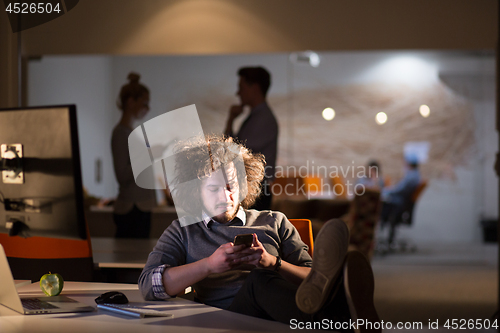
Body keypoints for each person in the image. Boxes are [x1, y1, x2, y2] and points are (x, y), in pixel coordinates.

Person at [139, 134, 380, 331]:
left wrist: (273, 263)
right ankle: (346, 320)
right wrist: (209, 266)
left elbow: (312, 278)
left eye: (231, 187)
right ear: (196, 192)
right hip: (226, 321)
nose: (226, 196)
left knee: (279, 278)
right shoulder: (184, 231)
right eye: (213, 189)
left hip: (281, 317)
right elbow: (149, 284)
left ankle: (339, 306)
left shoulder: (274, 221)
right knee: (258, 281)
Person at [224, 66, 278, 211]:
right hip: (254, 190)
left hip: (256, 191)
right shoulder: (257, 118)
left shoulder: (263, 119)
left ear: (254, 87)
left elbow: (232, 153)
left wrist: (230, 121)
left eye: (241, 87)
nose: (238, 93)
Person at [111, 72, 156, 238]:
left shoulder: (130, 133)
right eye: (144, 103)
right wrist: (149, 156)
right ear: (131, 102)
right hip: (132, 209)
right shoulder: (121, 133)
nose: (147, 108)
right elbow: (122, 175)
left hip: (139, 206)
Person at [380, 154, 421, 246]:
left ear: (409, 163)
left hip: (398, 204)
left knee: (381, 204)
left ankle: (379, 231)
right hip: (401, 203)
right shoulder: (416, 175)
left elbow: (398, 190)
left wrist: (386, 191)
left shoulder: (411, 176)